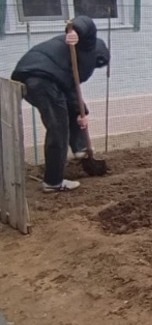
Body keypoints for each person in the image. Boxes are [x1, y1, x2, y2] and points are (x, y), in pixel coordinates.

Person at [11, 15, 110, 192]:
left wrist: (81, 113)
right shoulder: (87, 49)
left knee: (67, 111)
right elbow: (84, 22)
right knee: (58, 127)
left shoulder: (75, 54)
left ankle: (79, 148)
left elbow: (70, 89)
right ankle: (53, 182)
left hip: (31, 76)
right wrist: (75, 31)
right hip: (41, 79)